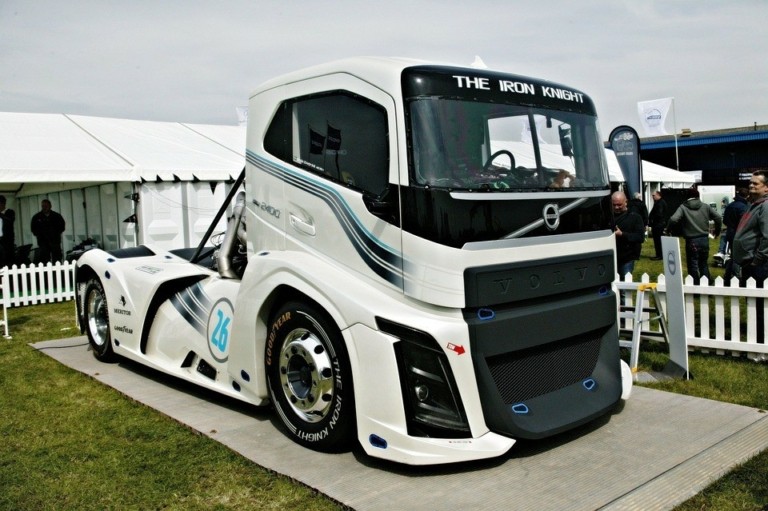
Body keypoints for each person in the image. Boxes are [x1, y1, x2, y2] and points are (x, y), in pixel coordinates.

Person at [732, 170, 768, 343]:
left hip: (758, 264)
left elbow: (767, 237)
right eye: (750, 183)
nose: (751, 185)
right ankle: (757, 336)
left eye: (756, 183)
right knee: (753, 304)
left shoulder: (765, 206)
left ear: (766, 188)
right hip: (748, 261)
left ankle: (760, 341)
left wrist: (757, 260)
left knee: (759, 305)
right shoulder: (753, 204)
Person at [667, 188, 722, 285]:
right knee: (703, 263)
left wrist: (668, 229)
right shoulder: (705, 206)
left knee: (693, 264)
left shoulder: (683, 207)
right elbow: (718, 217)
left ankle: (695, 285)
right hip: (704, 239)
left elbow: (673, 219)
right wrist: (717, 231)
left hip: (691, 240)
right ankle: (706, 284)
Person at [612, 191, 645, 279]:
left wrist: (622, 234)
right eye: (614, 205)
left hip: (627, 258)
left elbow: (640, 237)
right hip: (611, 257)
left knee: (625, 281)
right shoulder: (608, 217)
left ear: (626, 202)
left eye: (619, 205)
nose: (616, 207)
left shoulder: (635, 217)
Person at [720, 187, 749, 281]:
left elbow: (725, 220)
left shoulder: (730, 205)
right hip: (740, 234)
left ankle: (728, 275)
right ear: (747, 196)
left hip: (730, 232)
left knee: (733, 255)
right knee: (738, 257)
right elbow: (744, 222)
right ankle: (735, 277)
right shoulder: (744, 207)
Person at [31, 199, 66, 264]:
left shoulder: (56, 216)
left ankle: (57, 270)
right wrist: (40, 235)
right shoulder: (37, 217)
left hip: (55, 242)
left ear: (50, 206)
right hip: (43, 243)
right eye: (43, 206)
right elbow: (33, 229)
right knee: (45, 260)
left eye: (46, 206)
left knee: (57, 260)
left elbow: (62, 227)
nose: (44, 208)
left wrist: (55, 233)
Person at [648, 190, 668, 260]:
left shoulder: (660, 203)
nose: (652, 197)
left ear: (658, 195)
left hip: (658, 224)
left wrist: (652, 219)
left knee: (658, 240)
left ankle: (659, 255)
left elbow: (659, 214)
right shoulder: (658, 202)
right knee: (657, 240)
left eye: (654, 195)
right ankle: (658, 254)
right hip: (658, 224)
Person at [0, 195, 15, 268]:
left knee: (7, 260)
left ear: (3, 204)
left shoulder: (10, 212)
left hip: (7, 241)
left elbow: (10, 220)